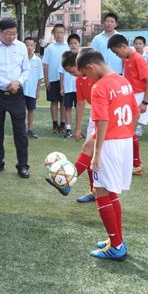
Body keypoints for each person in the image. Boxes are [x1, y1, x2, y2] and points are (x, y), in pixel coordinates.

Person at [76, 49, 139, 260]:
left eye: (86, 74)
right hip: (125, 141)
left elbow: (102, 121)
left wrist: (97, 152)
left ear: (91, 67)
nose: (87, 79)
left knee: (102, 192)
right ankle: (116, 238)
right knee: (111, 192)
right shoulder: (123, 82)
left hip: (110, 144)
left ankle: (117, 246)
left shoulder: (100, 86)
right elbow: (135, 112)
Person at [46, 49, 97, 203]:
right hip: (96, 116)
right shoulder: (79, 80)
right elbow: (80, 103)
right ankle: (93, 190)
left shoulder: (97, 75)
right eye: (68, 73)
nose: (72, 74)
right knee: (89, 154)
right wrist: (77, 129)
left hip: (108, 117)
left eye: (72, 70)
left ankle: (68, 183)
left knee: (90, 152)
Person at [0, 18, 30, 178]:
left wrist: (18, 82)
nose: (11, 37)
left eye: (14, 34)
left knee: (20, 131)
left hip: (17, 94)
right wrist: (8, 83)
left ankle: (23, 165)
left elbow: (26, 70)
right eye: (8, 33)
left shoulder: (21, 47)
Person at [108, 34, 148, 175]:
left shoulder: (138, 59)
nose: (117, 55)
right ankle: (134, 164)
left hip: (140, 97)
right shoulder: (127, 59)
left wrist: (144, 102)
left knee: (128, 132)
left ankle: (135, 164)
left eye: (117, 52)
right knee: (127, 131)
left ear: (123, 46)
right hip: (132, 96)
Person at [42, 23, 68, 133]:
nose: (59, 35)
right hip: (52, 79)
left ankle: (63, 124)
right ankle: (54, 124)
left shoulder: (67, 48)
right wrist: (46, 80)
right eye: (57, 32)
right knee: (53, 102)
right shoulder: (49, 48)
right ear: (54, 33)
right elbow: (45, 65)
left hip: (65, 80)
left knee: (63, 103)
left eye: (61, 32)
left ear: (64, 33)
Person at [59, 34, 80, 138]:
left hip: (79, 89)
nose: (73, 45)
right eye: (71, 43)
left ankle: (78, 129)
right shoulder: (65, 57)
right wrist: (62, 87)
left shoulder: (81, 57)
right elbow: (61, 73)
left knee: (78, 108)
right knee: (67, 108)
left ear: (79, 44)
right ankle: (68, 129)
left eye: (75, 43)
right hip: (68, 88)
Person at [23, 38, 43, 139]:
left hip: (31, 91)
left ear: (34, 47)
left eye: (31, 45)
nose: (29, 48)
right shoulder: (21, 59)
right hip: (21, 91)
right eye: (27, 45)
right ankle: (22, 130)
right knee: (21, 111)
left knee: (31, 110)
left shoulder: (38, 61)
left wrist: (37, 91)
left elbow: (39, 77)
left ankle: (30, 129)